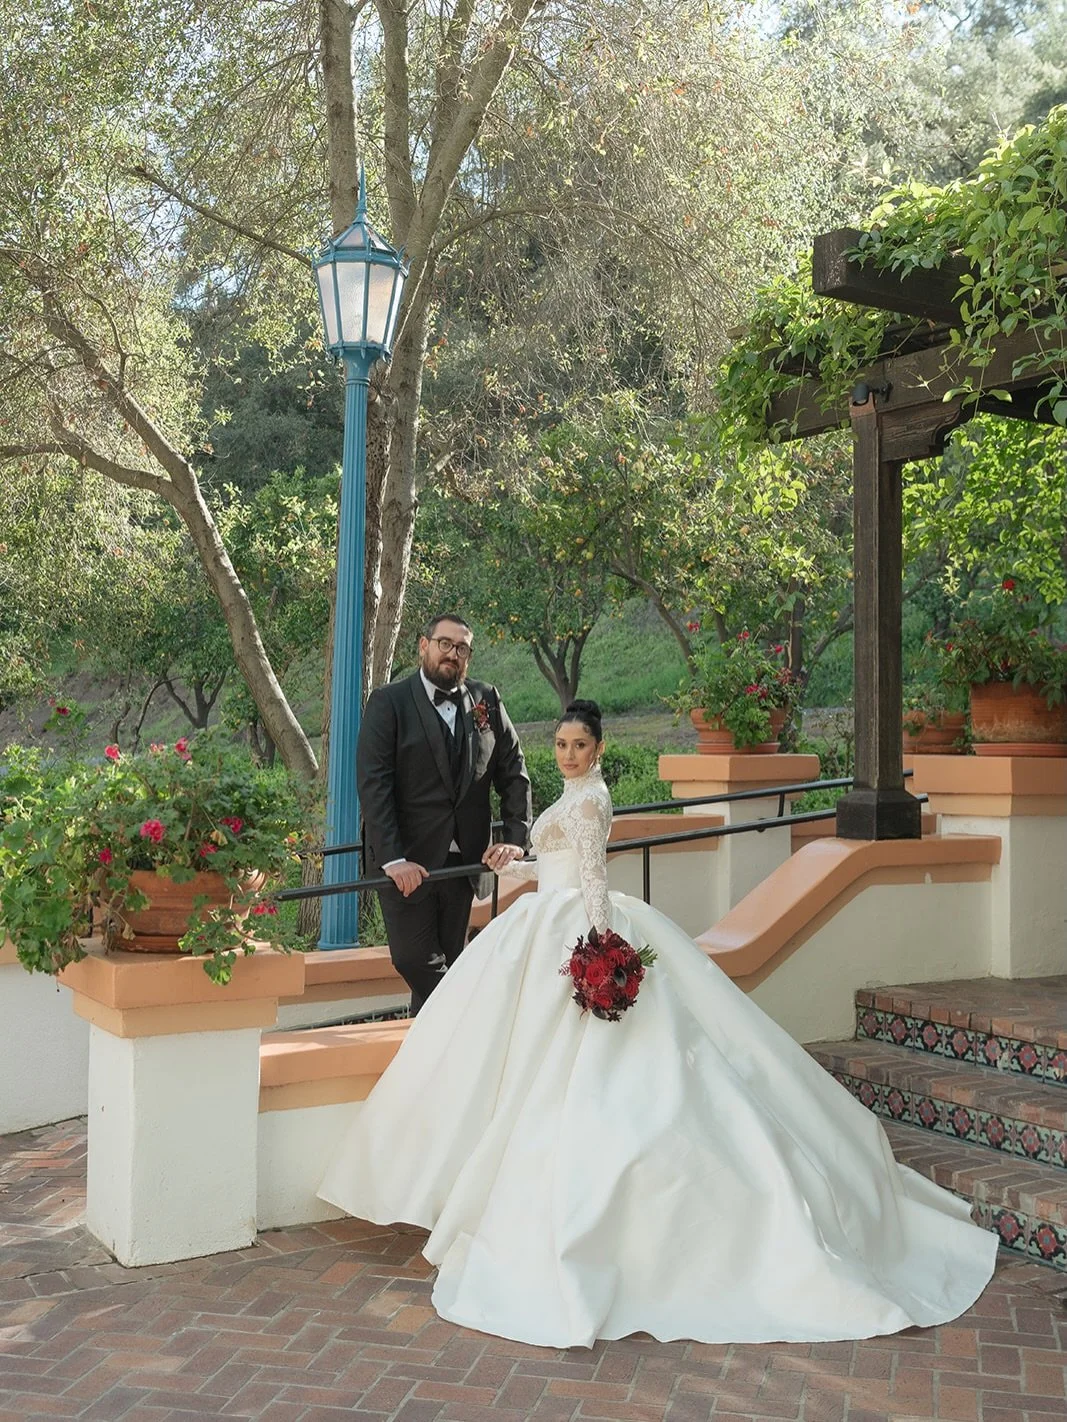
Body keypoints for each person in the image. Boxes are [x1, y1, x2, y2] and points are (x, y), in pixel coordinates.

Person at [321, 698, 997, 1348]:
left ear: (599, 747)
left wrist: (598, 953)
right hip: (548, 917)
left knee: (578, 1074)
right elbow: (557, 868)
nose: (566, 755)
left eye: (578, 745)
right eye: (558, 744)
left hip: (574, 930)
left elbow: (590, 879)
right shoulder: (574, 793)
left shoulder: (591, 797)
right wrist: (514, 861)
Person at [356, 613, 532, 1013]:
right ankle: (473, 1014)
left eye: (462, 648)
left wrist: (514, 839)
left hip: (464, 865)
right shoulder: (388, 703)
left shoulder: (485, 699)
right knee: (414, 959)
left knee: (445, 964)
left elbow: (514, 773)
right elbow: (373, 784)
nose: (453, 654)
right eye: (445, 644)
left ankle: (435, 1067)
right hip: (406, 865)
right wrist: (394, 859)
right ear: (424, 645)